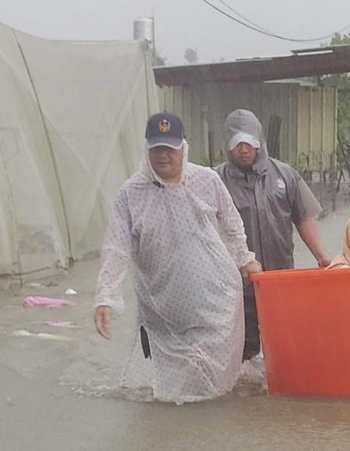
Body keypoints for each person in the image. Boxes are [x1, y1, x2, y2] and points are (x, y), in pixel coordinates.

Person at [92, 112, 261, 403]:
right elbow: (116, 248)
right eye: (156, 149)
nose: (163, 156)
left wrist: (245, 258)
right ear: (147, 150)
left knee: (214, 390)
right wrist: (105, 297)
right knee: (172, 396)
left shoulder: (206, 180)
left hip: (216, 304)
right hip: (163, 312)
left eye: (169, 149)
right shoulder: (130, 195)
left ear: (183, 148)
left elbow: (232, 223)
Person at [216, 109, 332, 361]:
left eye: (249, 142)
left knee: (285, 348)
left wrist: (322, 255)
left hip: (281, 281)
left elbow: (303, 218)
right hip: (236, 288)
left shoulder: (285, 175)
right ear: (227, 145)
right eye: (236, 144)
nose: (243, 149)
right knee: (242, 356)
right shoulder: (215, 181)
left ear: (259, 140)